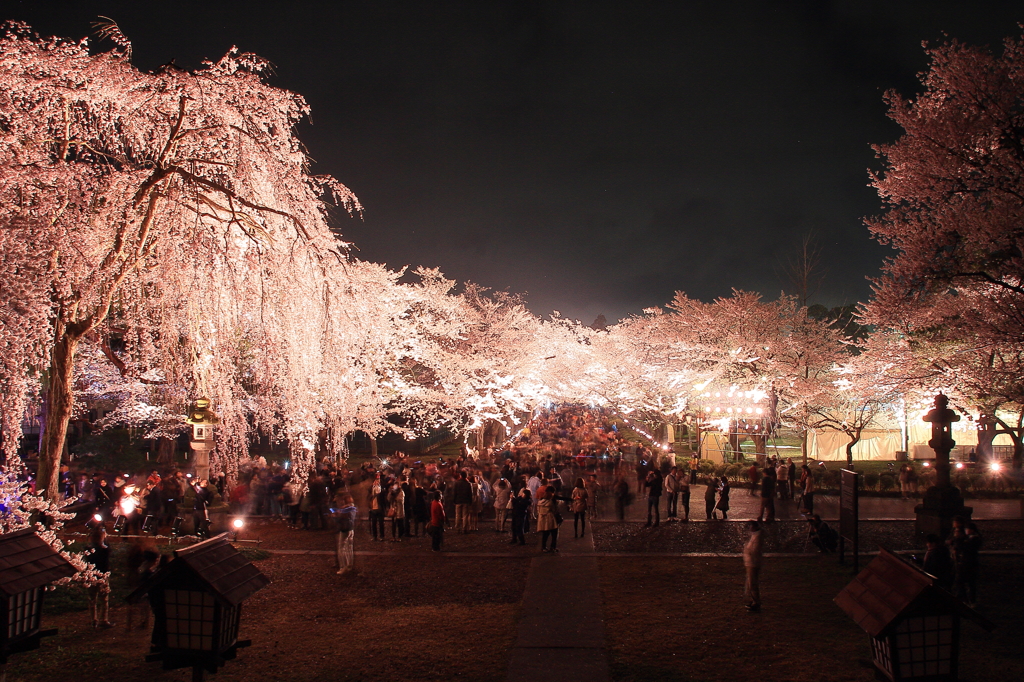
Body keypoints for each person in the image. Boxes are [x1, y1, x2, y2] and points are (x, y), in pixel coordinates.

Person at [86, 523, 113, 628]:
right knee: (104, 599)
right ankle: (103, 619)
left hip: (91, 575)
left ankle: (93, 620)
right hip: (102, 575)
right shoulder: (105, 550)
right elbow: (108, 549)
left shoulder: (88, 549)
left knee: (92, 598)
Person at [334, 493, 357, 575]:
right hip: (351, 529)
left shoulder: (346, 509)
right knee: (349, 547)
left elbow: (340, 518)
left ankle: (343, 566)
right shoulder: (353, 507)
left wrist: (336, 515)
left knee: (341, 548)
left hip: (345, 529)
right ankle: (349, 564)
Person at [743, 520, 763, 611]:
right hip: (750, 562)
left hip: (753, 563)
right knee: (750, 583)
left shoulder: (757, 537)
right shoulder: (755, 536)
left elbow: (754, 550)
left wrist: (747, 551)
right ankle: (752, 600)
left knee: (752, 583)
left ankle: (756, 602)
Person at [536, 486, 559, 553]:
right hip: (550, 519)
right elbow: (554, 510)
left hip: (543, 519)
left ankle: (543, 547)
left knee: (545, 534)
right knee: (554, 534)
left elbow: (538, 511)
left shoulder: (540, 502)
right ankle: (553, 547)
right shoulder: (550, 502)